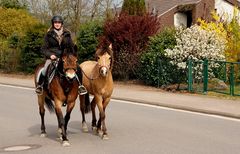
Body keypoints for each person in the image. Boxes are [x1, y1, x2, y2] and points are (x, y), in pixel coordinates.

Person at [35, 15, 87, 95]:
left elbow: (71, 46)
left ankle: (80, 86)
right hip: (53, 57)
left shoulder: (67, 34)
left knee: (78, 68)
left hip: (65, 57)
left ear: (61, 24)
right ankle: (40, 86)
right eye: (55, 22)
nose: (57, 24)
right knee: (45, 69)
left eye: (59, 22)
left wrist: (74, 52)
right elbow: (43, 49)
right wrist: (50, 55)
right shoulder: (48, 35)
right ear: (53, 24)